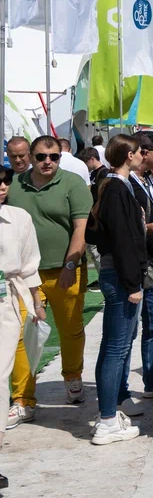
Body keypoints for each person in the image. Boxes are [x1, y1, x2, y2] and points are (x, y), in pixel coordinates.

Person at [6, 135, 93, 428]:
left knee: (70, 331)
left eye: (54, 157)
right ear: (30, 156)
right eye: (41, 156)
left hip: (65, 270)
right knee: (20, 335)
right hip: (23, 275)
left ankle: (72, 377)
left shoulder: (73, 184)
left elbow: (80, 229)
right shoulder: (14, 186)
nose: (48, 162)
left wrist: (71, 263)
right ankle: (22, 399)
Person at [87, 135, 149, 444]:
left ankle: (108, 411)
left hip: (119, 274)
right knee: (116, 348)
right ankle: (109, 420)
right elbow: (124, 239)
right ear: (128, 155)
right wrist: (133, 283)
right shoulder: (115, 188)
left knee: (114, 346)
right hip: (121, 277)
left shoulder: (112, 185)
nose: (143, 156)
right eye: (139, 152)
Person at [2, 166, 46, 467]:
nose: (2, 187)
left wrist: (37, 300)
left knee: (0, 373)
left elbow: (29, 264)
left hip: (7, 298)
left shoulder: (19, 218)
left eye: (5, 182)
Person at [129, 130, 153, 400]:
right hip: (135, 266)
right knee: (127, 333)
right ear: (145, 152)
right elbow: (121, 227)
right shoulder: (125, 183)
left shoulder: (144, 180)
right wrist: (147, 228)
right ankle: (119, 393)